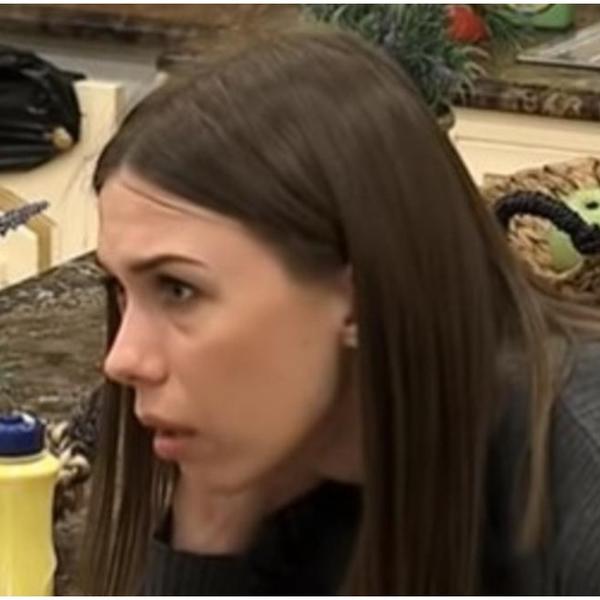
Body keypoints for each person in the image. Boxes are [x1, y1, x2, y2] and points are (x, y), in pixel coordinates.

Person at [80, 26, 600, 595]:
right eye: (121, 289)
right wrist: (208, 533)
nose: (121, 359)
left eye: (178, 289)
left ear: (358, 295)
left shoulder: (580, 478)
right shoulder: (286, 466)